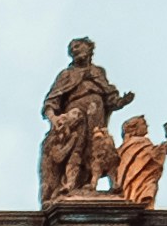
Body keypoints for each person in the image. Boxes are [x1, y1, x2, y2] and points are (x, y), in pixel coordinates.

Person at [40, 37, 133, 202]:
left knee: (97, 147)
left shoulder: (98, 72)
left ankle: (92, 183)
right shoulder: (67, 74)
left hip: (96, 113)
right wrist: (54, 118)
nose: (75, 50)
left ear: (89, 49)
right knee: (76, 147)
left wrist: (121, 102)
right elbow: (51, 101)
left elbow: (109, 98)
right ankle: (70, 184)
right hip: (76, 115)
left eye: (78, 46)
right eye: (72, 49)